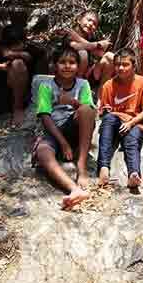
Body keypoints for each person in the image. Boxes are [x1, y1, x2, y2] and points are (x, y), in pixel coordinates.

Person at [32, 44, 96, 209]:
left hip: (74, 128)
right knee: (42, 151)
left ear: (78, 66)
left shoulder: (83, 84)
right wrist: (63, 143)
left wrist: (72, 102)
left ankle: (81, 167)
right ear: (55, 65)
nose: (67, 66)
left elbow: (87, 111)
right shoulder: (46, 86)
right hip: (54, 131)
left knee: (87, 110)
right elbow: (45, 116)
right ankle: (73, 189)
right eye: (62, 62)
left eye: (72, 62)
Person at [96, 47, 143, 188]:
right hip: (115, 120)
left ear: (134, 66)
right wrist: (105, 111)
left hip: (134, 122)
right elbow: (104, 110)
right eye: (117, 64)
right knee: (108, 121)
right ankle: (103, 168)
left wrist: (131, 122)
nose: (121, 68)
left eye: (125, 64)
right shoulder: (109, 85)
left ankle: (134, 174)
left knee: (132, 141)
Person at [60, 10, 114, 91]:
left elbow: (100, 53)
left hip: (87, 76)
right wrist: (97, 44)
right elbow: (77, 47)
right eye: (89, 20)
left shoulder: (91, 38)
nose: (91, 24)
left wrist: (79, 39)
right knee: (83, 53)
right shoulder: (70, 34)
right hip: (68, 74)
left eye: (94, 24)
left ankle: (101, 97)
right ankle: (75, 89)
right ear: (79, 20)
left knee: (110, 56)